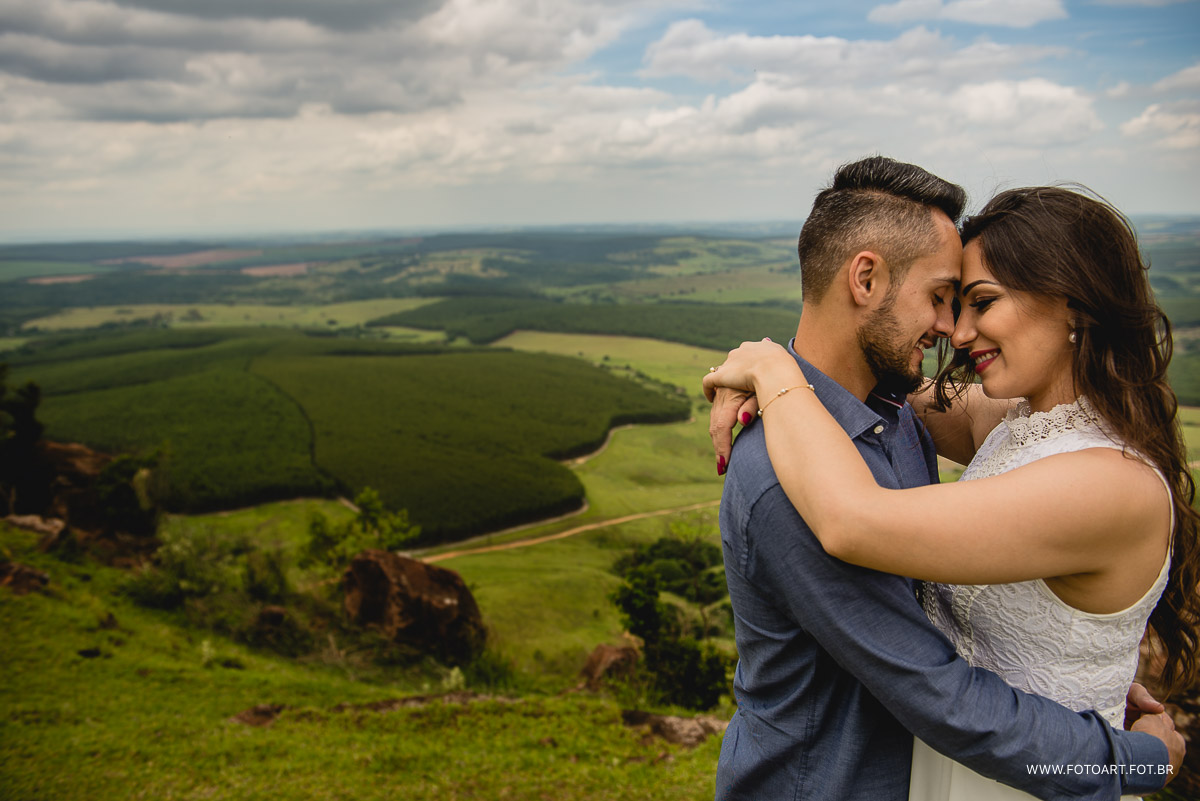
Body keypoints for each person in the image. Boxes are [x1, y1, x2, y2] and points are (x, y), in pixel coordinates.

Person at [700, 157, 1183, 801]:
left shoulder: (924, 422)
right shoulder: (792, 467)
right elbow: (945, 695)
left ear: (1073, 305)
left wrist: (1119, 735)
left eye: (977, 302)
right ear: (866, 278)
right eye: (944, 299)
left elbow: (861, 503)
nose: (954, 330)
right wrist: (773, 368)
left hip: (1013, 775)